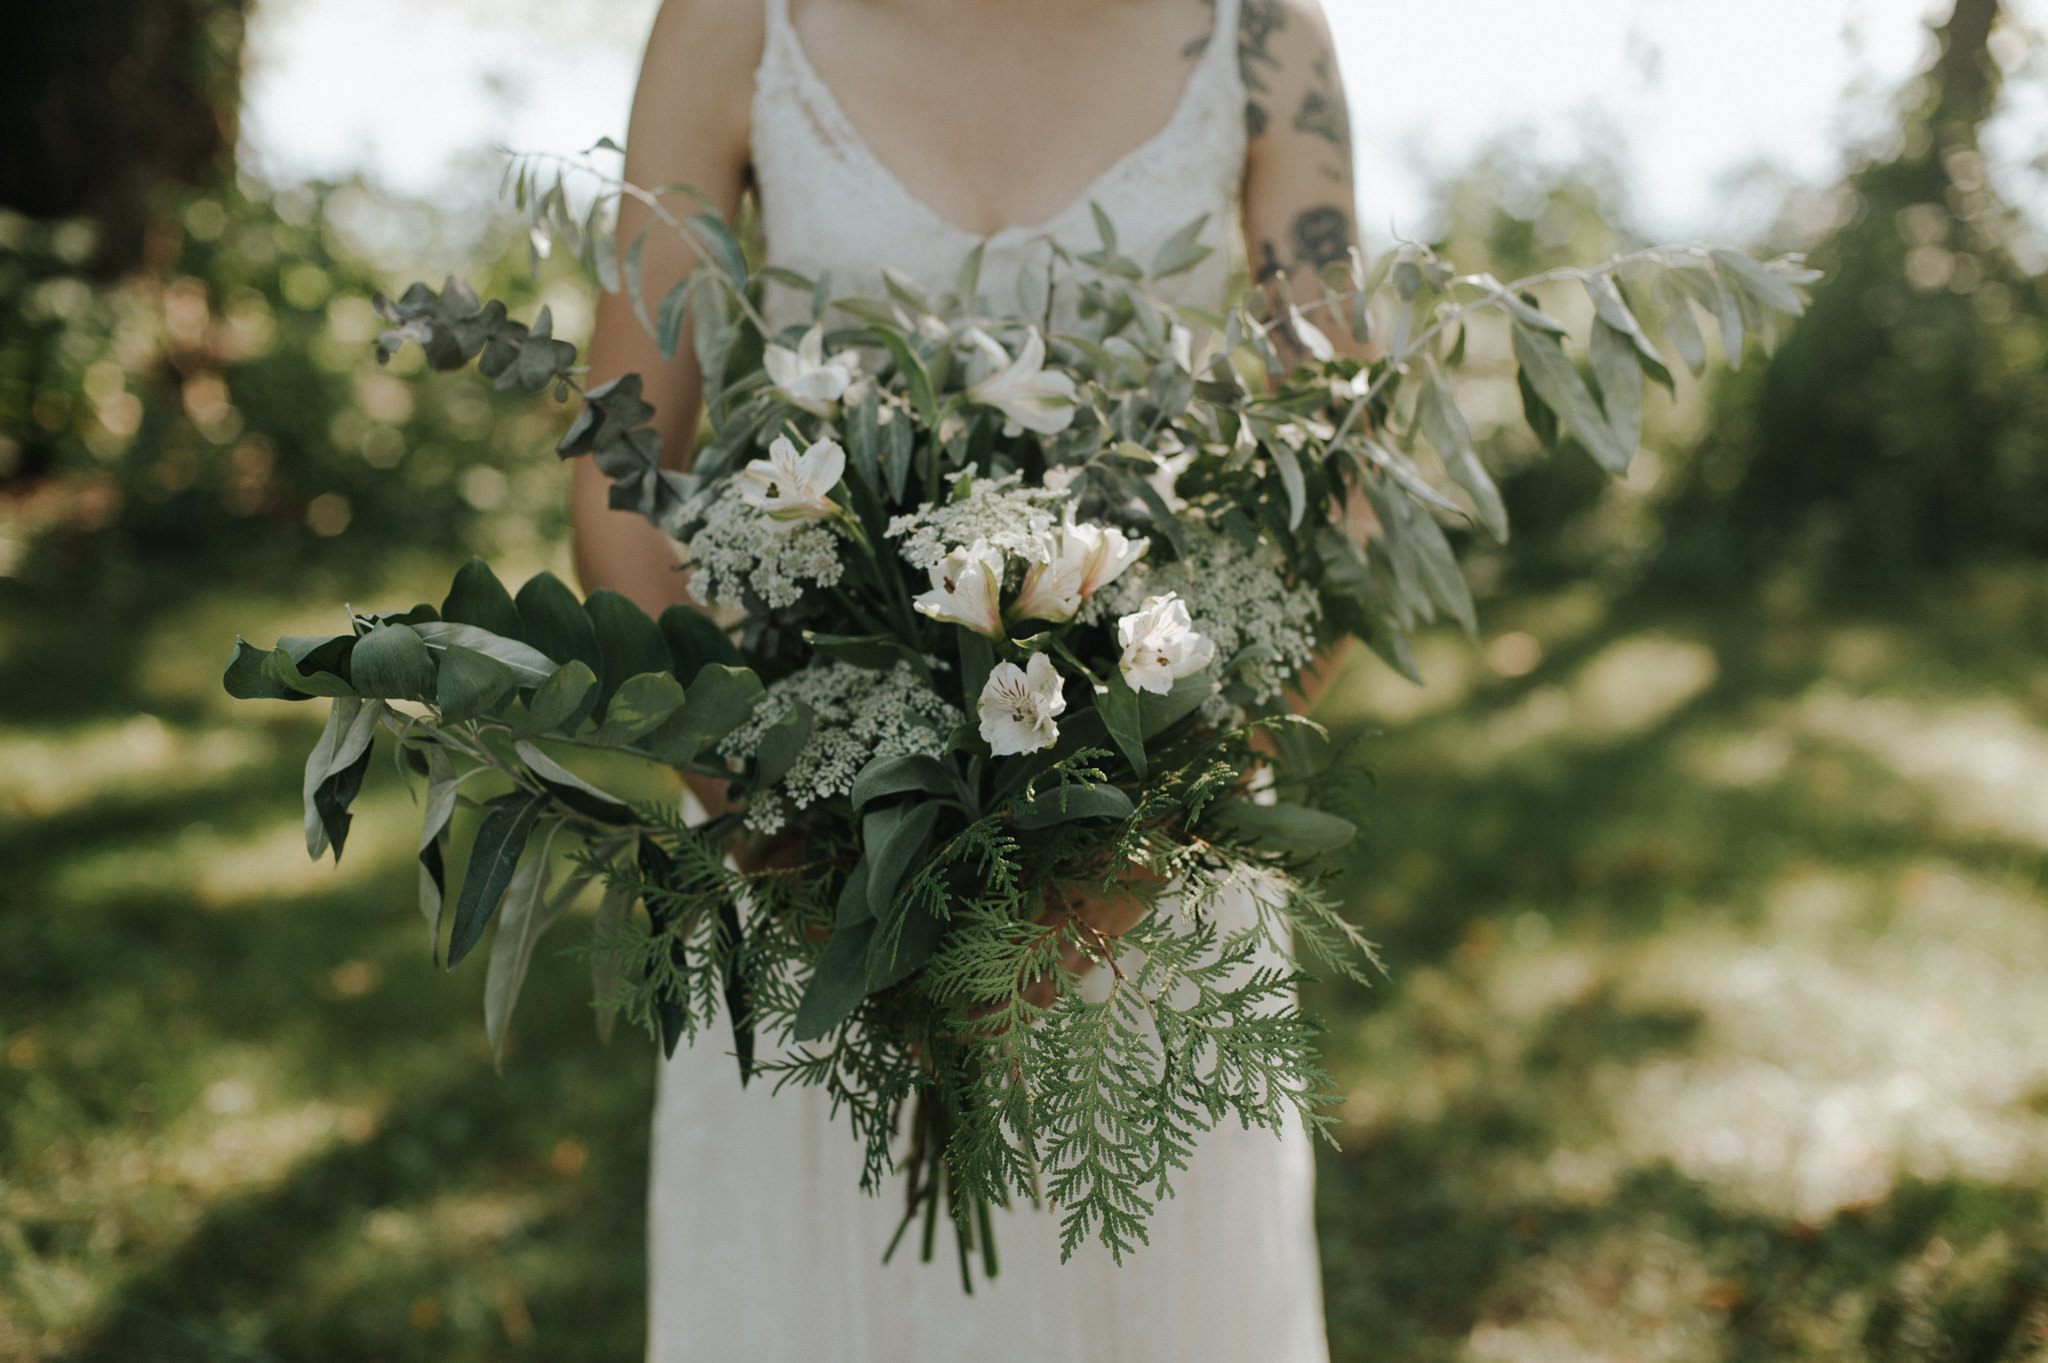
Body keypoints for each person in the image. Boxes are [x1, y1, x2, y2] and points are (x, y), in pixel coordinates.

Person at [570, 1, 1364, 1358]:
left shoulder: (1262, 29)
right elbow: (622, 465)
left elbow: (1336, 484)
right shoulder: (733, 19)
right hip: (805, 870)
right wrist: (777, 823)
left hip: (1152, 865)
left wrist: (1148, 831)